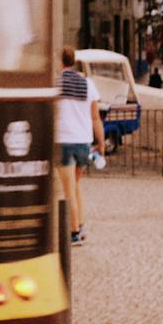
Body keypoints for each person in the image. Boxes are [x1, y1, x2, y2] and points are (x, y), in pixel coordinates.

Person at [57, 47, 104, 244]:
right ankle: (81, 224)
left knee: (67, 190)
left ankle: (73, 233)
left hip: (64, 140)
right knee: (76, 185)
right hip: (83, 142)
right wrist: (100, 142)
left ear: (60, 62)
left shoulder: (56, 83)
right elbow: (95, 117)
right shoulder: (87, 83)